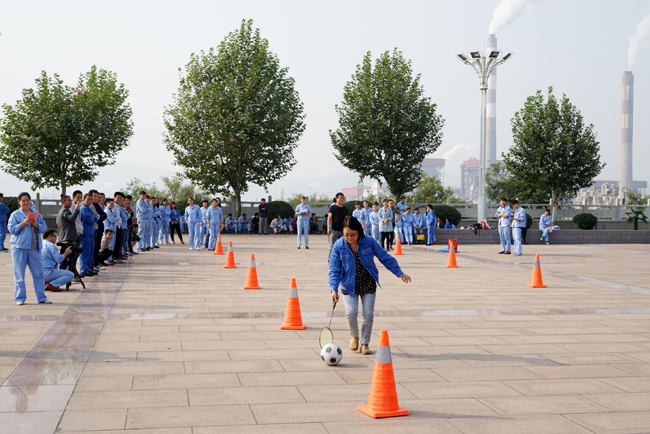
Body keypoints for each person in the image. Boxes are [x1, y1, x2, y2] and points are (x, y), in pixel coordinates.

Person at [329, 216, 411, 355]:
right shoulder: (339, 245)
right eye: (346, 234)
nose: (350, 237)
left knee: (368, 314)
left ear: (359, 232)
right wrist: (333, 289)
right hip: (349, 285)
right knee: (351, 313)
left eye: (353, 234)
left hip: (368, 283)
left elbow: (384, 257)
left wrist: (399, 273)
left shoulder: (368, 241)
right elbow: (334, 269)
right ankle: (354, 336)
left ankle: (365, 343)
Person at [9, 192, 50, 305]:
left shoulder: (36, 214)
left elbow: (44, 228)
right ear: (19, 202)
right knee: (19, 275)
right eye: (23, 201)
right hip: (19, 248)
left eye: (28, 200)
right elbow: (11, 229)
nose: (26, 203)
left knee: (39, 273)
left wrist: (36, 224)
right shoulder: (15, 215)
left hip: (34, 248)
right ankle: (20, 298)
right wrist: (23, 223)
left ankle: (41, 297)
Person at [79, 193, 98, 276]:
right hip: (85, 233)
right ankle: (83, 270)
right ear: (84, 200)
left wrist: (93, 217)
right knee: (85, 253)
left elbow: (95, 217)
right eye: (88, 199)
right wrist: (93, 217)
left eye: (91, 199)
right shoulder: (83, 209)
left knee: (90, 253)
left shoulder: (89, 208)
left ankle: (88, 268)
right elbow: (90, 219)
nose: (89, 201)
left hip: (90, 233)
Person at [327, 192, 348, 259]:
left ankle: (342, 259)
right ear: (336, 199)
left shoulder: (344, 208)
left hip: (343, 230)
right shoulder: (333, 207)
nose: (341, 199)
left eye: (342, 198)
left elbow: (346, 219)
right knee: (332, 245)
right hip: (334, 229)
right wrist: (328, 228)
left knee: (343, 245)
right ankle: (330, 259)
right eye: (340, 198)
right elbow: (329, 218)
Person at [102, 198, 117, 265]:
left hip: (112, 230)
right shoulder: (107, 211)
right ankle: (107, 259)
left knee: (112, 246)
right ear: (107, 203)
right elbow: (113, 220)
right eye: (110, 203)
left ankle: (110, 259)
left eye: (113, 204)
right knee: (108, 245)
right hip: (108, 230)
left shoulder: (111, 211)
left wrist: (115, 218)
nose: (112, 205)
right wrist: (116, 218)